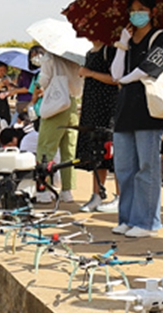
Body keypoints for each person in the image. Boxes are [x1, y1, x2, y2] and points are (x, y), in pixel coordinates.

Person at [109, 0, 163, 237]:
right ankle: (127, 218)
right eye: (133, 10)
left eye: (141, 10)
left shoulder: (161, 37)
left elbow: (149, 68)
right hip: (125, 110)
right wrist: (122, 45)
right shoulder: (126, 39)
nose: (137, 14)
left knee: (147, 167)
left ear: (152, 12)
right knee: (124, 168)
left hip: (150, 111)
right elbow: (116, 74)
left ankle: (148, 222)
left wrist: (125, 78)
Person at [31, 44, 81, 204]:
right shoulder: (75, 58)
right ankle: (67, 190)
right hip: (72, 103)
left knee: (46, 148)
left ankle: (44, 190)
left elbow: (44, 81)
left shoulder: (50, 57)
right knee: (69, 150)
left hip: (56, 103)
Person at [76, 41, 120, 214]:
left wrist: (91, 73)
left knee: (113, 153)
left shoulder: (110, 50)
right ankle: (97, 195)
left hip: (108, 107)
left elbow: (116, 78)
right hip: (92, 108)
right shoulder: (89, 52)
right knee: (96, 153)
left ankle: (120, 196)